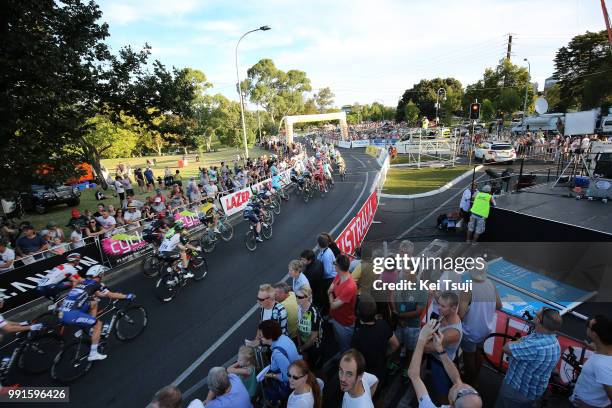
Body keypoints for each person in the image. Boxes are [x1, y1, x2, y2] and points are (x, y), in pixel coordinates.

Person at [59, 265, 135, 361]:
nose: (103, 275)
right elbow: (110, 294)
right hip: (70, 315)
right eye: (102, 274)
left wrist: (111, 295)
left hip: (62, 313)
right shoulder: (96, 284)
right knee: (98, 324)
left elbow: (99, 294)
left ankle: (88, 328)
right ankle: (93, 353)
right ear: (98, 275)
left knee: (94, 302)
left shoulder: (84, 283)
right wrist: (126, 296)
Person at [496, 307, 562, 408]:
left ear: (538, 321)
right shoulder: (555, 342)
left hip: (516, 392)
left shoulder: (535, 345)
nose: (534, 316)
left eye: (536, 315)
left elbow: (506, 347)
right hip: (534, 391)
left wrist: (520, 340)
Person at [408, 320, 482, 408]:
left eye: (458, 389)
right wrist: (440, 350)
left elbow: (413, 375)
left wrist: (421, 339)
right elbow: (457, 379)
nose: (460, 383)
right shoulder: (464, 403)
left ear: (451, 403)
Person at [458, 264, 502, 387]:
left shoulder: (467, 287)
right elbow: (499, 305)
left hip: (470, 330)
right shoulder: (491, 284)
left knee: (469, 356)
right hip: (485, 329)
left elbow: (461, 314)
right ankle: (475, 378)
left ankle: (470, 381)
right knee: (478, 352)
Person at [351, 294, 399, 387]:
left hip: (365, 373)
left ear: (359, 314)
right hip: (380, 370)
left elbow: (355, 358)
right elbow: (395, 345)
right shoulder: (383, 325)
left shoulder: (357, 335)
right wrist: (385, 354)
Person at [425, 291, 463, 404]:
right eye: (439, 304)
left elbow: (427, 348)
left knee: (442, 396)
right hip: (436, 358)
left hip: (441, 364)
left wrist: (423, 335)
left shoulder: (452, 333)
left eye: (442, 306)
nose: (439, 308)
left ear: (453, 308)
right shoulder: (447, 315)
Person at [570, 314, 612, 407]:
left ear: (595, 335)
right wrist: (595, 347)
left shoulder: (602, 365)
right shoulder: (604, 351)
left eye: (588, 325)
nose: (587, 325)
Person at [260, 320, 302, 403]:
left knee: (269, 391)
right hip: (298, 368)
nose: (259, 338)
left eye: (261, 336)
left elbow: (286, 377)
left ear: (269, 336)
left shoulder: (277, 353)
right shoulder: (284, 338)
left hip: (292, 382)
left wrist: (271, 375)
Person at [328, 254, 358, 353]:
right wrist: (332, 296)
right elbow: (330, 290)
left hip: (344, 323)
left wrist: (330, 294)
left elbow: (332, 304)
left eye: (334, 264)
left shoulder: (349, 286)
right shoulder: (339, 275)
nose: (333, 265)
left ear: (338, 267)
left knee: (345, 347)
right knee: (338, 340)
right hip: (336, 318)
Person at [296, 286, 322, 366]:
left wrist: (301, 349)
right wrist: (299, 344)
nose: (297, 299)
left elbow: (313, 338)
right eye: (296, 296)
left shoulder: (314, 313)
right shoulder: (299, 308)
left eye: (300, 297)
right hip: (303, 343)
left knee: (314, 365)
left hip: (313, 346)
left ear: (308, 297)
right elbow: (298, 329)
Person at [316, 235, 336, 313]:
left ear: (319, 244)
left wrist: (318, 274)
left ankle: (328, 312)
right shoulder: (325, 251)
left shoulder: (326, 255)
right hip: (329, 278)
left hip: (329, 279)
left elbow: (328, 271)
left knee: (327, 297)